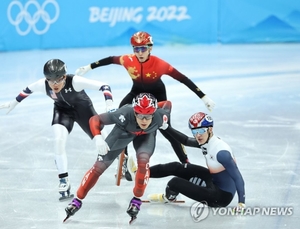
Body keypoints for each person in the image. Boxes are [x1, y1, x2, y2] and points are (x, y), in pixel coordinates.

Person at [75, 31, 216, 179]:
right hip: (136, 94)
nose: (140, 52)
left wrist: (203, 96)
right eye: (136, 49)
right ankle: (125, 162)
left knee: (168, 131)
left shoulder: (160, 64)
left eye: (143, 48)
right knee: (122, 119)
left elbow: (183, 79)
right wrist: (89, 67)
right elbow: (110, 59)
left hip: (158, 96)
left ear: (150, 48)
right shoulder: (127, 60)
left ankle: (185, 162)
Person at [0, 59, 115, 200]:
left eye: (57, 80)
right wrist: (12, 103)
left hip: (84, 111)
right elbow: (27, 91)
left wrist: (109, 104)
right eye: (50, 80)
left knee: (108, 143)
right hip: (62, 112)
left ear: (64, 77)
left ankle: (125, 160)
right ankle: (63, 180)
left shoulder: (75, 81)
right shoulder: (43, 84)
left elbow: (104, 86)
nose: (54, 84)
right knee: (58, 141)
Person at [64, 93, 173, 222]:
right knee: (99, 167)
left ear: (154, 113)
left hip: (146, 136)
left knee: (143, 162)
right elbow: (95, 119)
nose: (144, 120)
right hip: (123, 132)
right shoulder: (124, 113)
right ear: (134, 111)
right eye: (140, 115)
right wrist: (98, 138)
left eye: (148, 116)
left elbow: (167, 104)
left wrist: (164, 120)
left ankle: (136, 200)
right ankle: (78, 199)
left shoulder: (161, 116)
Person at [146, 112, 246, 212]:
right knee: (176, 167)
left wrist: (241, 203)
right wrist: (166, 127)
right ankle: (140, 173)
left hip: (221, 196)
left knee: (174, 183)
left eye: (201, 131)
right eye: (194, 132)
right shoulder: (207, 141)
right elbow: (185, 140)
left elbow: (238, 177)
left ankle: (169, 197)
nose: (198, 135)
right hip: (213, 180)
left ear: (210, 129)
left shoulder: (221, 153)